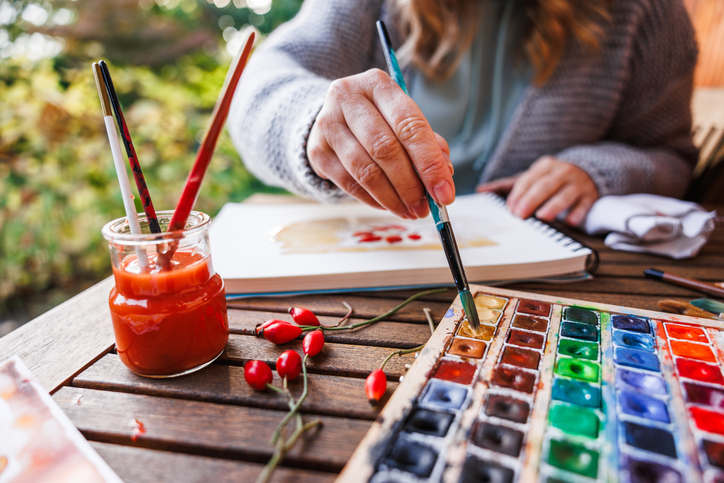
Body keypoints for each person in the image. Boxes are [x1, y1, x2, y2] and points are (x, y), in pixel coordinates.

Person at [228, 0, 698, 226]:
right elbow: (260, 86)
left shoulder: (646, 13)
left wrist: (598, 171)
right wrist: (315, 123)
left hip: (547, 277)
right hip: (379, 264)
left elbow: (671, 157)